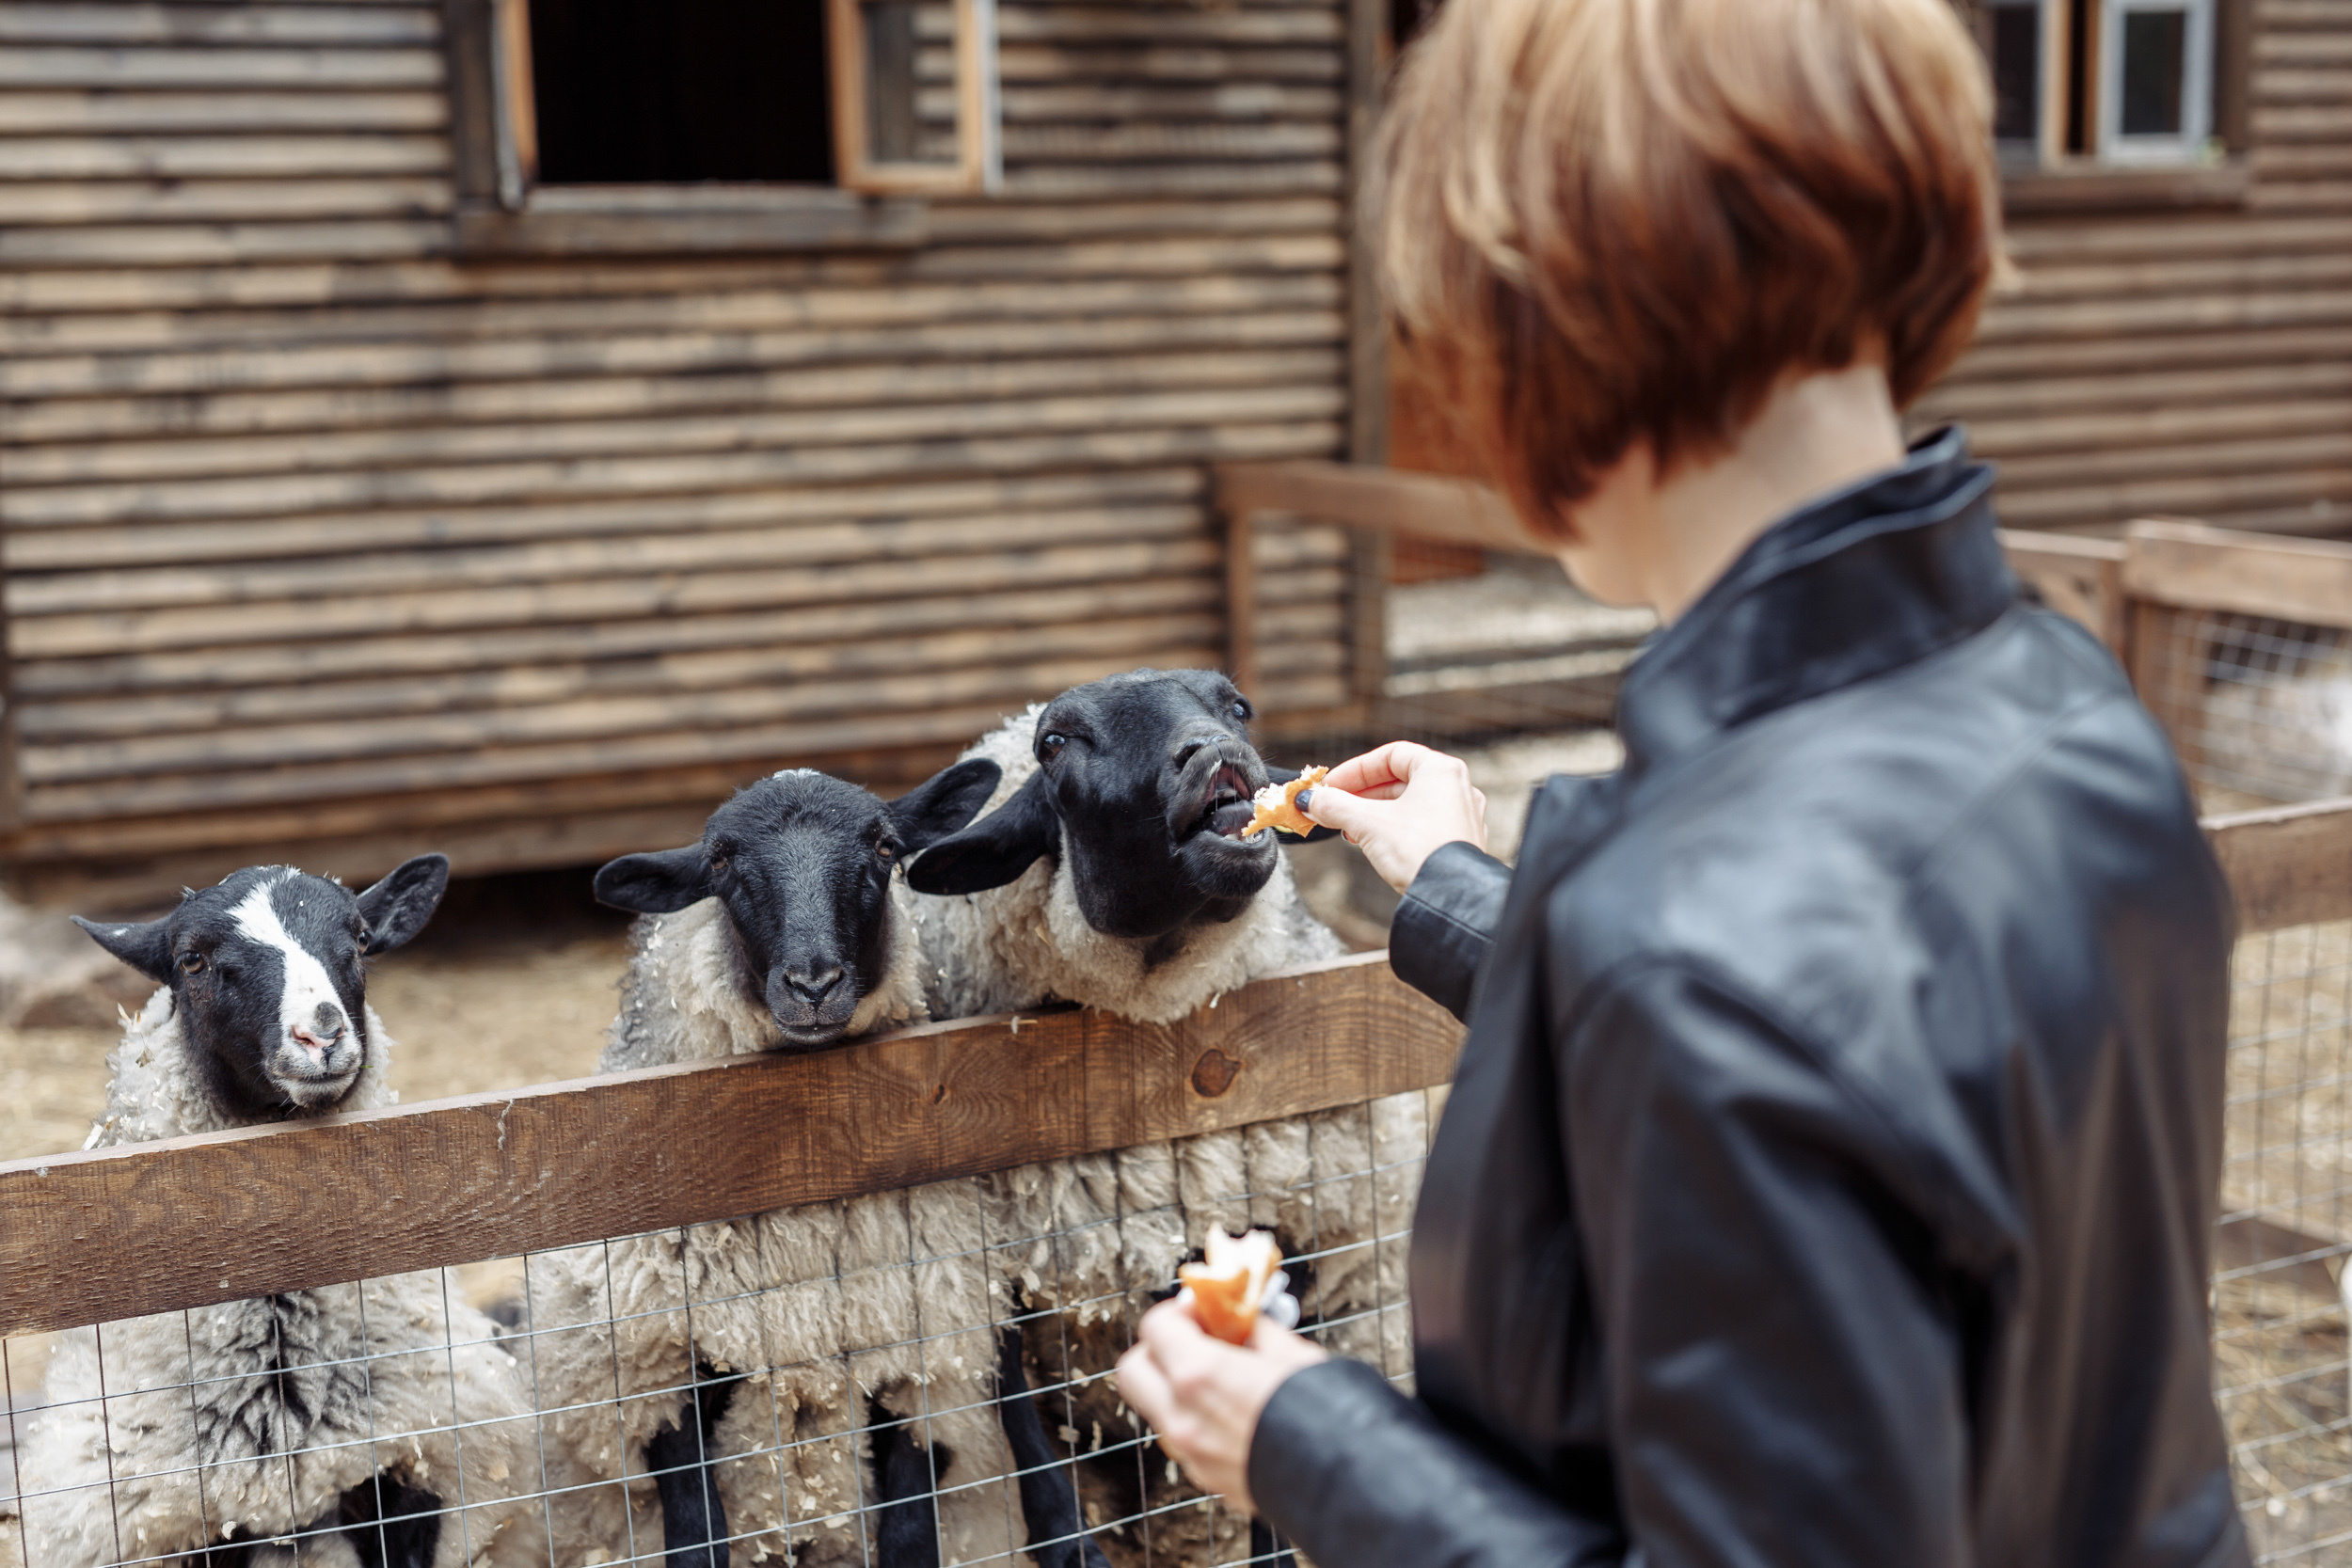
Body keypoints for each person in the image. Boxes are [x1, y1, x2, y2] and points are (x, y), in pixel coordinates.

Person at [1113, 0, 2249, 1562]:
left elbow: (1753, 1010)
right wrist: (1458, 892)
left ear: (1551, 327)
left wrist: (1302, 1440)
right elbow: (1853, 1042)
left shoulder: (1694, 946)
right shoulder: (2070, 714)